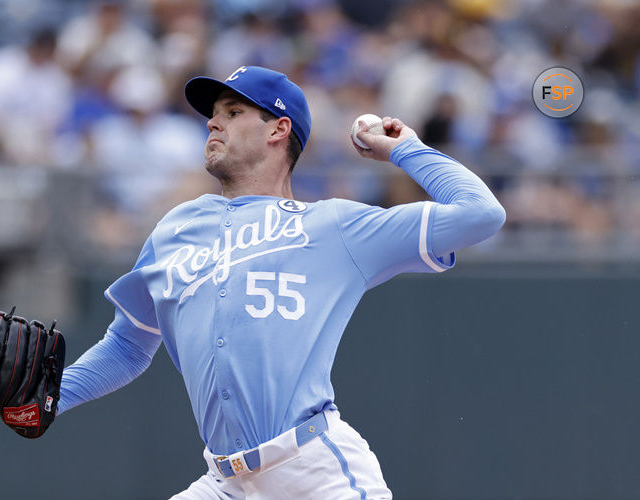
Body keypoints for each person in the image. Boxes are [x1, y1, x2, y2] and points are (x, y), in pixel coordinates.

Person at [57, 65, 506, 499]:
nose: (213, 122)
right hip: (225, 482)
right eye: (214, 113)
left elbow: (480, 213)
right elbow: (128, 347)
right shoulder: (175, 228)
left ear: (278, 129)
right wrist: (51, 397)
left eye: (233, 112)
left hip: (313, 471)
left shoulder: (333, 226)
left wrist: (406, 149)